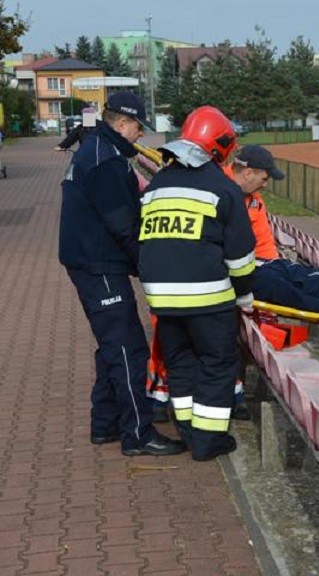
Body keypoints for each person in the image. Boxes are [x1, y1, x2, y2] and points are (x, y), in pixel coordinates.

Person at [59, 91, 185, 457]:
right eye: (138, 128)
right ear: (123, 123)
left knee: (113, 345)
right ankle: (139, 435)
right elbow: (123, 224)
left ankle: (106, 424)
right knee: (129, 348)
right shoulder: (105, 159)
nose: (140, 136)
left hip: (93, 260)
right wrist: (150, 269)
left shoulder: (100, 149)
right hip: (97, 264)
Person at [138, 105, 256, 462]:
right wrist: (245, 295)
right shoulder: (222, 187)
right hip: (208, 300)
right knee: (218, 364)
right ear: (219, 146)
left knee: (180, 362)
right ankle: (207, 441)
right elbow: (239, 255)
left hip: (161, 299)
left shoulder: (157, 184)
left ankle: (189, 430)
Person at [225, 144, 319, 315]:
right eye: (264, 179)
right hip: (248, 273)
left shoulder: (251, 195)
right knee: (292, 288)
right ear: (248, 173)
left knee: (315, 278)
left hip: (267, 263)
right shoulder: (221, 193)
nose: (265, 185)